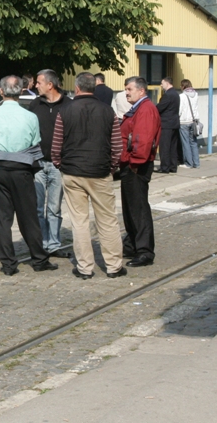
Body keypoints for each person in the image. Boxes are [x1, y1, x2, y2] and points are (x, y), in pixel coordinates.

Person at [0, 75, 56, 276]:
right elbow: (35, 143)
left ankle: (8, 264)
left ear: (1, 91)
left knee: (3, 219)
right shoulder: (30, 116)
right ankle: (39, 259)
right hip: (21, 170)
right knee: (28, 216)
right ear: (21, 91)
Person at [51, 72, 126, 279]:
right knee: (108, 220)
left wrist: (60, 165)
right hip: (100, 172)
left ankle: (85, 267)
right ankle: (114, 266)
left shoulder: (65, 111)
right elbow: (117, 146)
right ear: (94, 88)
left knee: (79, 222)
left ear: (76, 88)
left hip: (73, 172)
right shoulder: (108, 111)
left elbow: (56, 146)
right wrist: (111, 167)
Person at [28, 69, 71, 259]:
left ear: (50, 85)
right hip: (37, 163)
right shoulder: (34, 104)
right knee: (37, 207)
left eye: (38, 82)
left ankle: (53, 244)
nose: (35, 85)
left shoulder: (69, 105)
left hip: (58, 165)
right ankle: (40, 244)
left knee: (54, 207)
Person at [119, 76, 162, 267]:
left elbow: (142, 140)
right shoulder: (139, 108)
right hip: (131, 164)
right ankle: (132, 245)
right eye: (126, 89)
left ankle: (144, 250)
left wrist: (133, 161)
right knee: (130, 208)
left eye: (129, 89)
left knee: (138, 208)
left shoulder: (145, 109)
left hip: (136, 165)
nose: (126, 92)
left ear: (141, 90)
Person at [156, 76, 180, 173]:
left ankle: (165, 167)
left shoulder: (168, 95)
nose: (161, 85)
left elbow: (160, 107)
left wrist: (153, 109)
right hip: (174, 123)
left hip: (166, 124)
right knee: (173, 147)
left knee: (165, 146)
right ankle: (173, 166)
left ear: (167, 83)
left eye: (162, 83)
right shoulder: (175, 94)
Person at [177, 79, 201, 169]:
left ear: (183, 86)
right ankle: (196, 163)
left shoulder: (182, 96)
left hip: (184, 122)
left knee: (185, 143)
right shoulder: (196, 95)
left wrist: (177, 117)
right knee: (193, 142)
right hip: (193, 121)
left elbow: (180, 110)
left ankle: (188, 163)